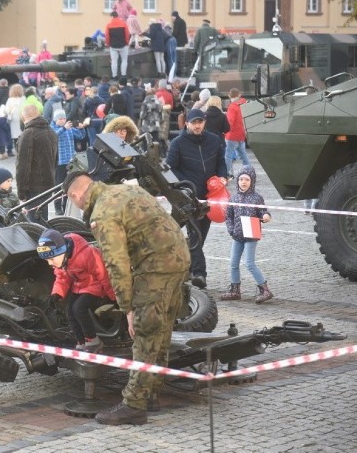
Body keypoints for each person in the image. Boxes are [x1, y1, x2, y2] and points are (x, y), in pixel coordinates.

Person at [63, 166, 190, 426]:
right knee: (161, 328)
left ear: (75, 195)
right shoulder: (124, 189)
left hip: (155, 267)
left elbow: (116, 264)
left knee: (144, 333)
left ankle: (134, 405)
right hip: (178, 258)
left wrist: (128, 308)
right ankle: (151, 392)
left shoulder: (102, 213)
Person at [165, 108, 227, 288]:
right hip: (188, 197)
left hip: (210, 197)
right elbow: (170, 167)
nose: (197, 126)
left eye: (200, 122)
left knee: (200, 237)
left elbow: (221, 162)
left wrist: (223, 176)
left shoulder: (214, 140)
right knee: (195, 234)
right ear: (187, 123)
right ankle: (200, 274)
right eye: (194, 123)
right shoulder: (178, 143)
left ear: (204, 122)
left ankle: (188, 267)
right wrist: (185, 184)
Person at [37, 229, 116, 353]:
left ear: (61, 251)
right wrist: (57, 293)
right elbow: (62, 278)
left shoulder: (86, 255)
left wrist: (113, 296)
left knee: (78, 308)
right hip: (79, 287)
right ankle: (81, 341)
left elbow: (103, 276)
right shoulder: (62, 262)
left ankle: (92, 339)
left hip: (94, 286)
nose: (49, 263)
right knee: (70, 311)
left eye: (52, 259)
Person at [221, 165, 274, 303]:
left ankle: (265, 289)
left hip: (251, 234)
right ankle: (235, 290)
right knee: (233, 263)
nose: (243, 182)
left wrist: (266, 216)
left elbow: (263, 212)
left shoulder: (257, 198)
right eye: (241, 179)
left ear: (252, 182)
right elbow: (229, 216)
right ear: (237, 181)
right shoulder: (233, 198)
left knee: (249, 263)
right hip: (237, 236)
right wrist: (231, 230)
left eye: (247, 180)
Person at [15, 104, 57, 221]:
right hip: (48, 184)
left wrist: (21, 192)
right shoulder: (51, 132)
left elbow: (23, 166)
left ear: (24, 118)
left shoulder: (28, 134)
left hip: (33, 187)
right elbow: (55, 160)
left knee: (35, 224)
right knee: (43, 219)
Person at [51, 111, 85, 215]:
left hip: (71, 161)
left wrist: (81, 127)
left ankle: (65, 205)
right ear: (55, 120)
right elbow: (54, 136)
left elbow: (81, 136)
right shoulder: (53, 128)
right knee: (58, 185)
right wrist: (64, 128)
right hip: (60, 161)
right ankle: (57, 206)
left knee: (69, 184)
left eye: (63, 118)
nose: (62, 120)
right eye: (60, 119)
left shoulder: (69, 128)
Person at [225, 88, 250, 178]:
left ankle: (225, 174)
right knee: (243, 155)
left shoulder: (232, 107)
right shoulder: (243, 105)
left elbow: (230, 122)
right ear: (239, 95)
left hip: (232, 135)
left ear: (229, 95)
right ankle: (249, 172)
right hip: (241, 134)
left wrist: (225, 132)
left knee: (228, 156)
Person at [105, 11, 130, 77]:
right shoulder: (123, 23)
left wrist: (108, 44)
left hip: (113, 46)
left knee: (114, 61)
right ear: (117, 16)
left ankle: (114, 76)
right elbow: (127, 34)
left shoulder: (108, 25)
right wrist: (127, 42)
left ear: (112, 16)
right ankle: (123, 75)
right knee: (124, 60)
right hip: (123, 45)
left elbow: (107, 36)